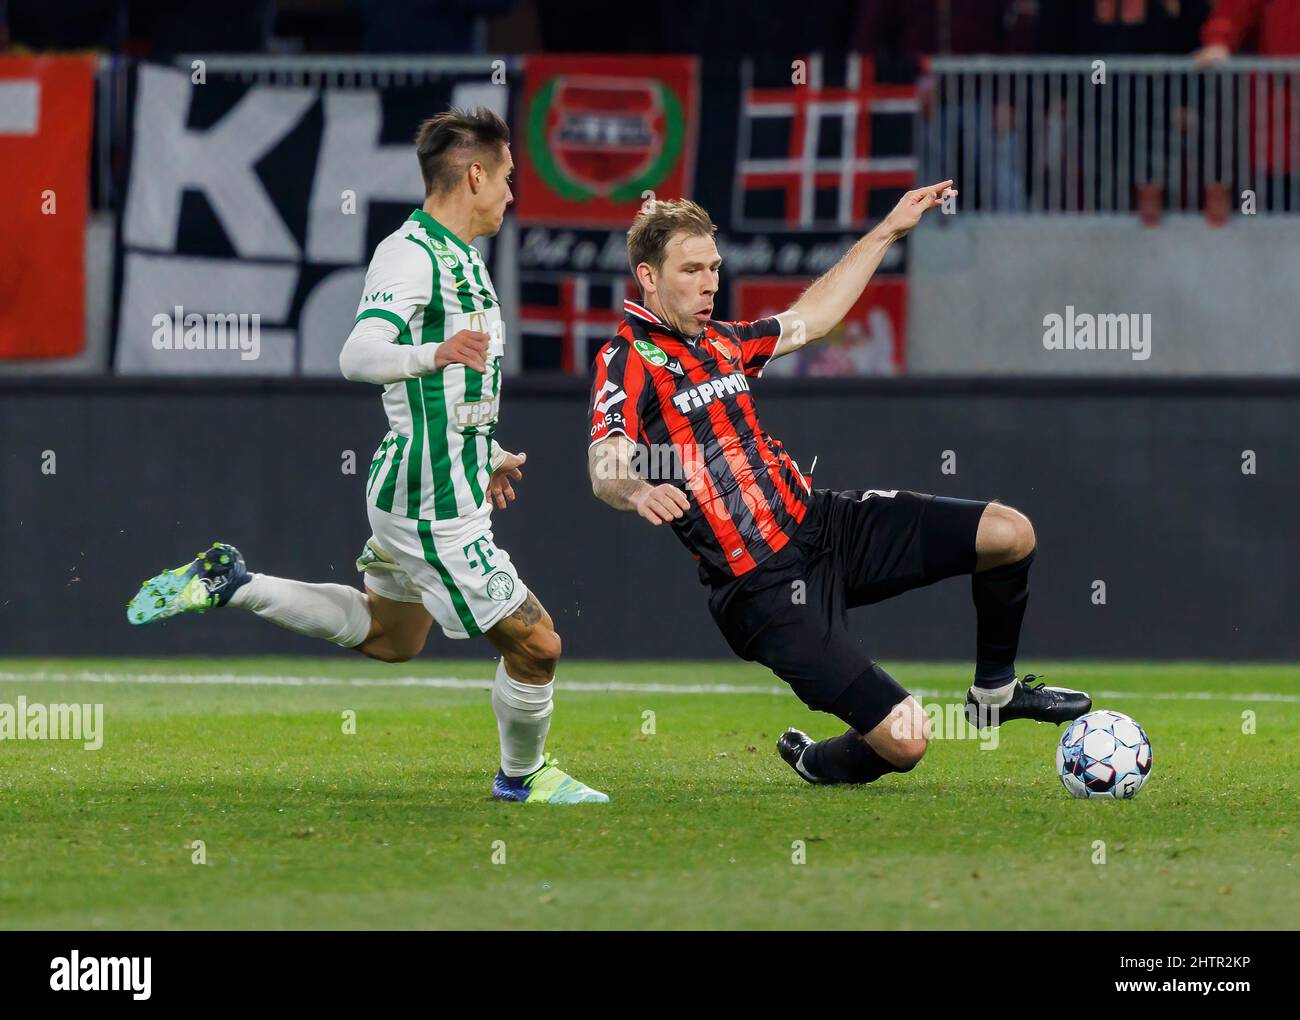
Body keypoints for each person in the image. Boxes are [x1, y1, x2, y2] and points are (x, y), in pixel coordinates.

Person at [128, 107, 606, 805]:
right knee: (538, 646)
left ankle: (234, 581)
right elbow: (356, 354)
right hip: (431, 501)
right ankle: (523, 777)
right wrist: (430, 353)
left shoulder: (461, 260)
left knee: (391, 638)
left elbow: (452, 388)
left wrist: (486, 450)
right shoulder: (411, 253)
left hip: (433, 480)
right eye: (507, 177)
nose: (511, 192)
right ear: (475, 174)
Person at [586, 186, 1091, 787]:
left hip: (825, 525)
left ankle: (995, 692)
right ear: (647, 275)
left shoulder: (725, 341)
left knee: (1009, 534)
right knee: (907, 741)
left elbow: (813, 318)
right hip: (761, 589)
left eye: (714, 268)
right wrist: (639, 490)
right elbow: (605, 462)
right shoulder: (626, 359)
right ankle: (816, 762)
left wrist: (887, 232)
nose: (708, 283)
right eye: (691, 270)